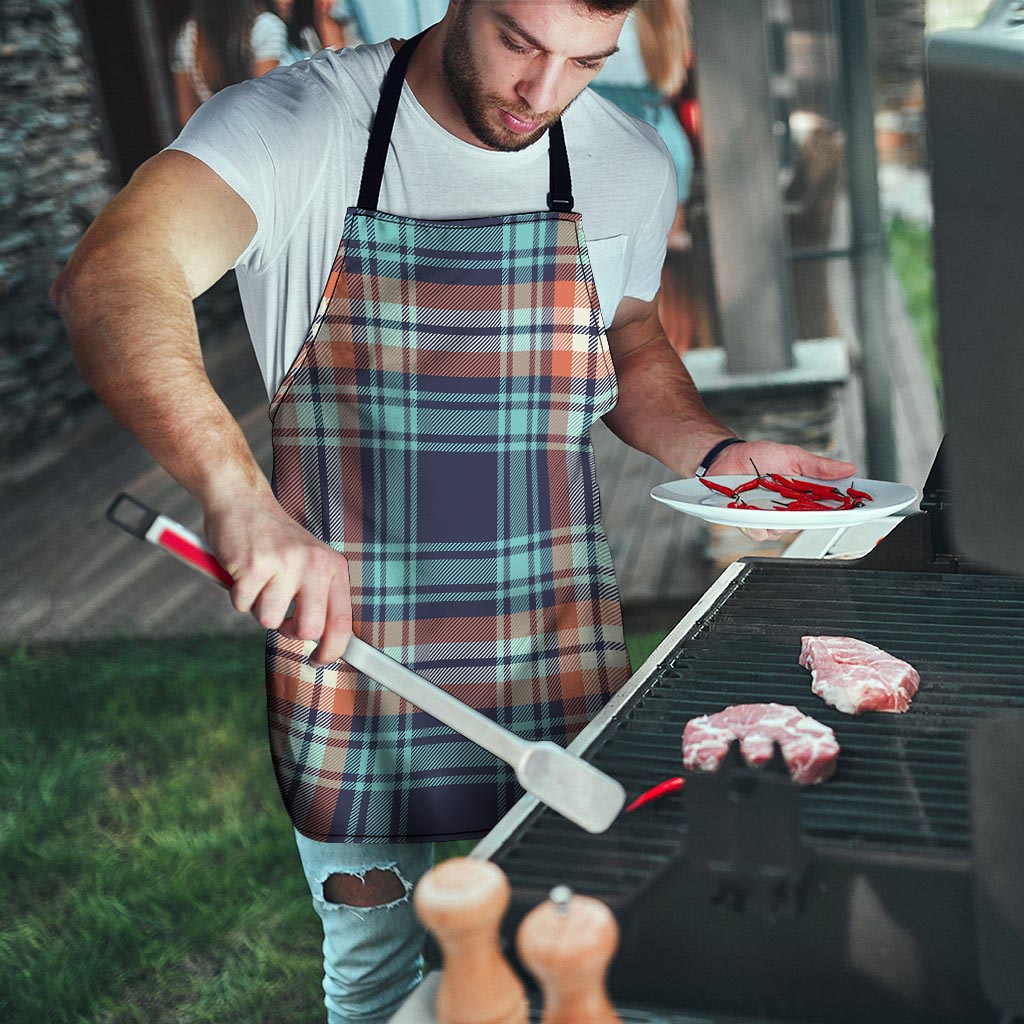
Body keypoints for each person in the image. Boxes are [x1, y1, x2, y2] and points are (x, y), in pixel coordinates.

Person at [52, 2, 856, 1020]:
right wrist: (238, 497)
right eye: (521, 43)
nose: (543, 92)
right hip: (350, 661)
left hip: (556, 641)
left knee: (578, 952)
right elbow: (112, 275)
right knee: (381, 978)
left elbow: (631, 335)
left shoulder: (624, 160)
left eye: (585, 62)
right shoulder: (298, 125)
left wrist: (718, 450)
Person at [170, 0, 289, 126]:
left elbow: (187, 118)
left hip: (215, 138)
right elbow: (266, 105)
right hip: (264, 135)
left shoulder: (187, 36)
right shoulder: (265, 27)